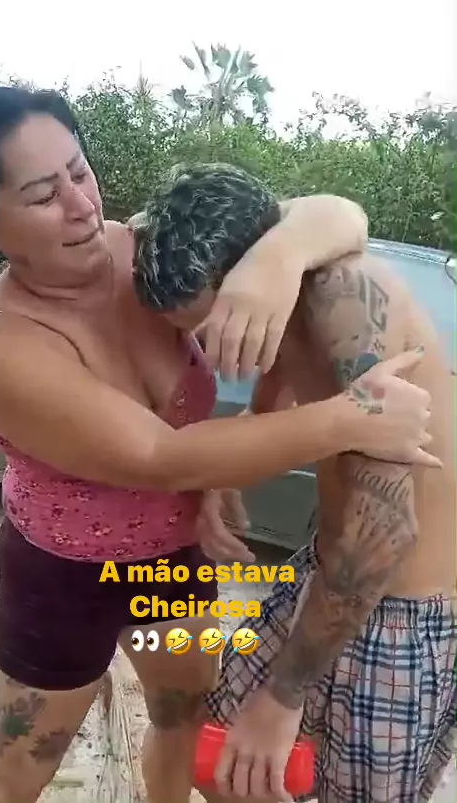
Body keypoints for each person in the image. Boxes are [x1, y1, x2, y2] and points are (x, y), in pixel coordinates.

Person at [133, 162, 456, 803]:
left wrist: (283, 698)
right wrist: (224, 472)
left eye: (219, 325)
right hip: (327, 569)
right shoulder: (289, 290)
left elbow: (386, 531)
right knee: (208, 742)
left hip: (399, 610)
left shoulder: (345, 298)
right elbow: (273, 396)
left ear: (258, 281)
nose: (209, 348)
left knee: (286, 754)